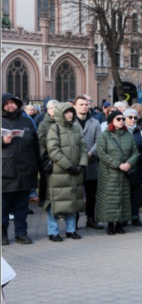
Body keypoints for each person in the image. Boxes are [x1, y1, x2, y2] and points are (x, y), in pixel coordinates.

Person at [43, 102, 88, 242]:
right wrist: (69, 166)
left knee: (73, 201)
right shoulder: (54, 129)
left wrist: (81, 164)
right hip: (59, 173)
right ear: (60, 114)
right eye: (66, 112)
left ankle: (71, 229)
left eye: (71, 112)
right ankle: (53, 231)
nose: (69, 115)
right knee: (55, 202)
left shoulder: (75, 128)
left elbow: (83, 147)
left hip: (75, 172)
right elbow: (53, 151)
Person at [2, 93, 40, 245]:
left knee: (22, 206)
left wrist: (37, 163)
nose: (10, 105)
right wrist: (2, 141)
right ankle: (2, 234)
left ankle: (21, 233)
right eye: (7, 103)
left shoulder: (26, 120)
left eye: (13, 103)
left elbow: (35, 143)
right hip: (5, 171)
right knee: (3, 206)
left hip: (26, 168)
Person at [96, 111, 139, 235]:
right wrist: (118, 164)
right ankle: (110, 224)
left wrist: (129, 164)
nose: (121, 121)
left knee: (123, 198)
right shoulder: (105, 135)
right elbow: (102, 153)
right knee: (110, 199)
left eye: (122, 118)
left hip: (124, 173)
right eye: (118, 119)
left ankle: (120, 224)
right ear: (111, 121)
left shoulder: (128, 135)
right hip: (110, 173)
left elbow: (135, 152)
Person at [73, 95, 103, 230]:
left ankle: (91, 219)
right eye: (81, 104)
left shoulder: (95, 123)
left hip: (91, 163)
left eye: (86, 104)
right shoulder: (70, 122)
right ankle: (73, 221)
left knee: (92, 194)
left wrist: (91, 153)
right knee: (76, 194)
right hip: (76, 163)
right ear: (75, 106)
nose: (84, 106)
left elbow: (99, 141)